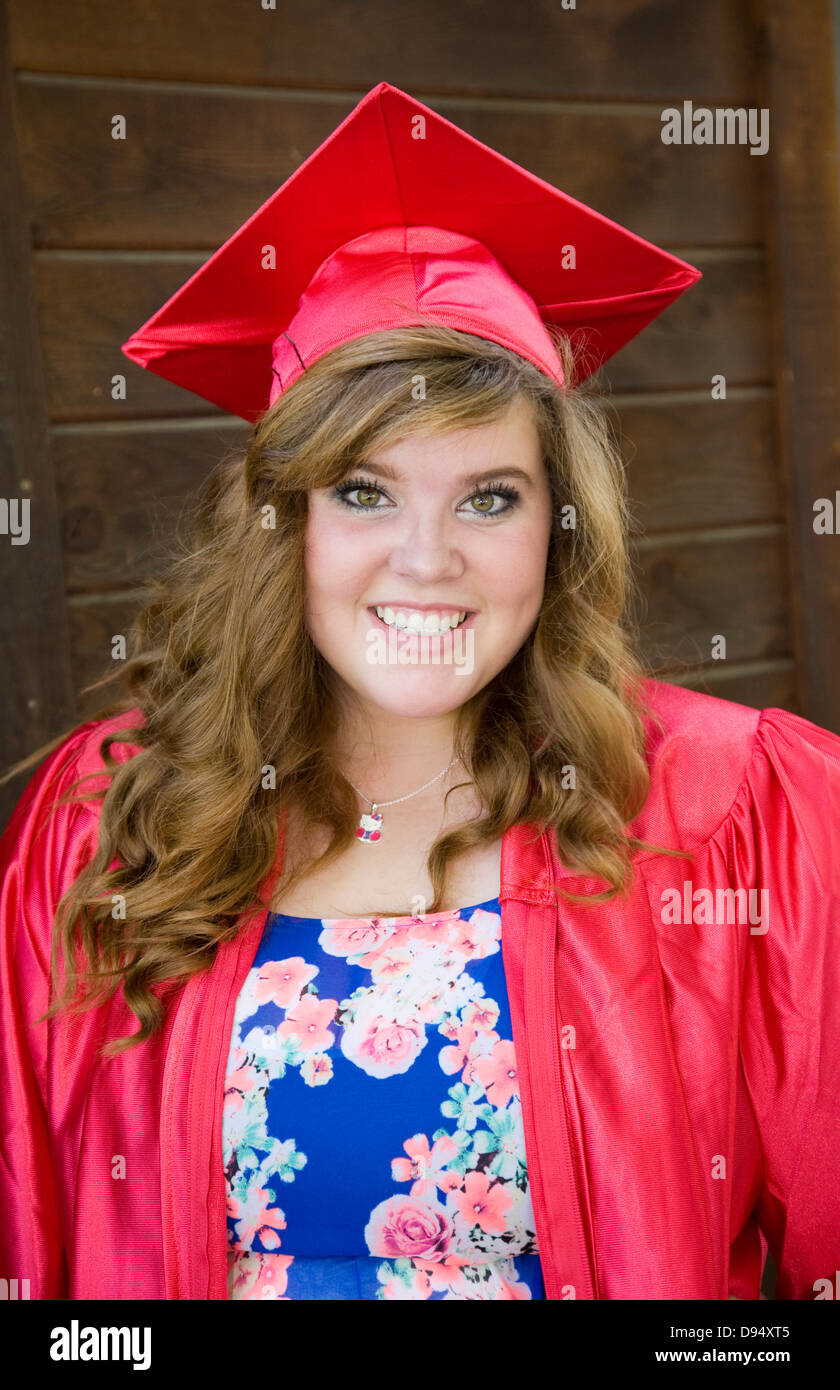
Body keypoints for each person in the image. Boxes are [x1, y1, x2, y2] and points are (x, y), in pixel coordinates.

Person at [1, 81, 838, 1302]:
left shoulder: (736, 809)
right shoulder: (106, 819)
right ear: (282, 519)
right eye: (364, 490)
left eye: (489, 496)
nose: (429, 558)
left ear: (559, 527)